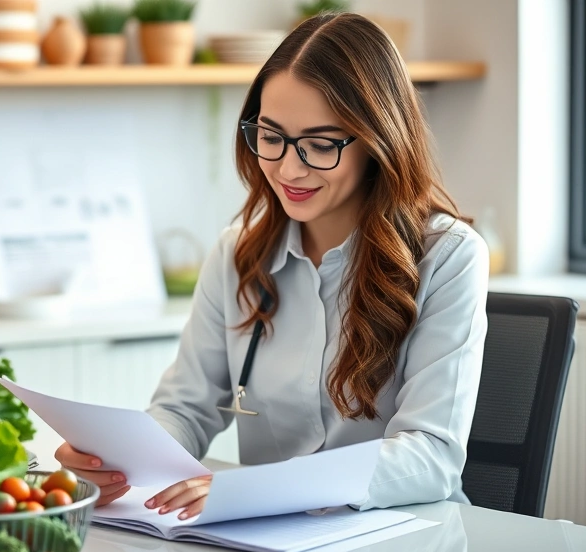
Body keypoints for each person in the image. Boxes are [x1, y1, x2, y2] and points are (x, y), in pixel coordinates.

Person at [55, 12, 490, 519]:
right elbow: (185, 409)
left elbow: (431, 456)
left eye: (321, 145)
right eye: (270, 135)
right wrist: (115, 463)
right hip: (271, 546)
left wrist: (257, 490)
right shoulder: (236, 257)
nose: (288, 167)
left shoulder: (449, 257)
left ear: (378, 141)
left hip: (409, 545)